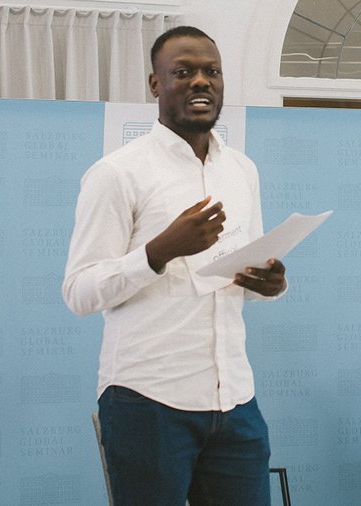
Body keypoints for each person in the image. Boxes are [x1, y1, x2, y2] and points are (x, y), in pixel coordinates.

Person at [62, 26, 286, 505]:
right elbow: (79, 291)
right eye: (183, 72)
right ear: (155, 84)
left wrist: (267, 283)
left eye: (212, 71)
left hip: (235, 399)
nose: (201, 81)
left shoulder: (242, 169)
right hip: (148, 400)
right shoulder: (116, 173)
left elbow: (245, 272)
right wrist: (158, 252)